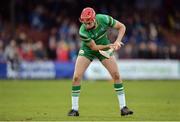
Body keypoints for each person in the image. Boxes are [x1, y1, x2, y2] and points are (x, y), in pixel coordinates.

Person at [68, 7, 133, 116]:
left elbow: (122, 27)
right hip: (89, 49)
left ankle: (123, 108)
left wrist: (117, 41)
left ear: (94, 19)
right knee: (76, 77)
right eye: (84, 22)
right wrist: (109, 45)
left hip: (105, 47)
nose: (86, 25)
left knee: (116, 75)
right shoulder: (82, 31)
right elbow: (94, 47)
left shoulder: (104, 19)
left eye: (88, 23)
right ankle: (74, 109)